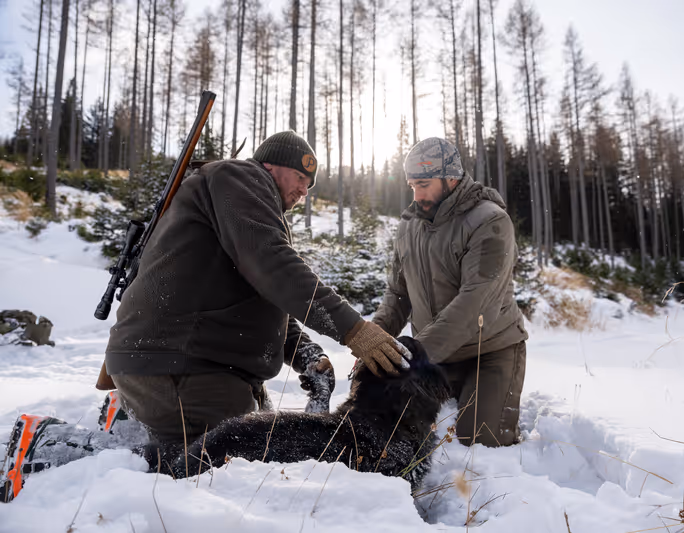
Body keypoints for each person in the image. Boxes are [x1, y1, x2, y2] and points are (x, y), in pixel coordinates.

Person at [103, 130, 410, 446]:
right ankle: (66, 444)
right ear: (270, 165)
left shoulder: (248, 205)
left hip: (203, 367)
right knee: (211, 466)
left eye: (310, 183)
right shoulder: (238, 177)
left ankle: (131, 426)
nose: (304, 189)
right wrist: (355, 331)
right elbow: (275, 266)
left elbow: (266, 296)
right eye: (299, 176)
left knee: (254, 458)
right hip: (179, 367)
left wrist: (307, 355)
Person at [372, 137, 528, 447]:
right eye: (412, 185)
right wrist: (374, 340)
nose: (417, 195)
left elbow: (475, 302)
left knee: (480, 443)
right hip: (435, 356)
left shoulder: (489, 221)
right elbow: (398, 293)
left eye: (424, 184)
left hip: (490, 351)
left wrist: (411, 356)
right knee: (391, 429)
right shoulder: (409, 227)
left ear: (452, 177)